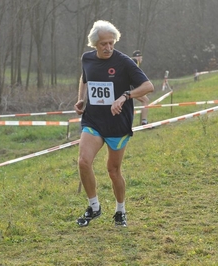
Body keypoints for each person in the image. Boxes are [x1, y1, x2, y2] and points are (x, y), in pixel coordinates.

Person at [74, 20, 154, 227]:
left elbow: (148, 86)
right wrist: (81, 99)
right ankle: (94, 206)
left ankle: (120, 210)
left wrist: (125, 96)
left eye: (111, 43)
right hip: (93, 120)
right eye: (103, 44)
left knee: (113, 170)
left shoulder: (124, 62)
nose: (108, 47)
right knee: (83, 161)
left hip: (118, 123)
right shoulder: (87, 59)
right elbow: (84, 78)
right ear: (95, 45)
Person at [131, 50, 150, 125]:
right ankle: (144, 121)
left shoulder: (132, 61)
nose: (140, 59)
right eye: (140, 58)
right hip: (130, 88)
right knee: (145, 100)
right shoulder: (134, 62)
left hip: (128, 87)